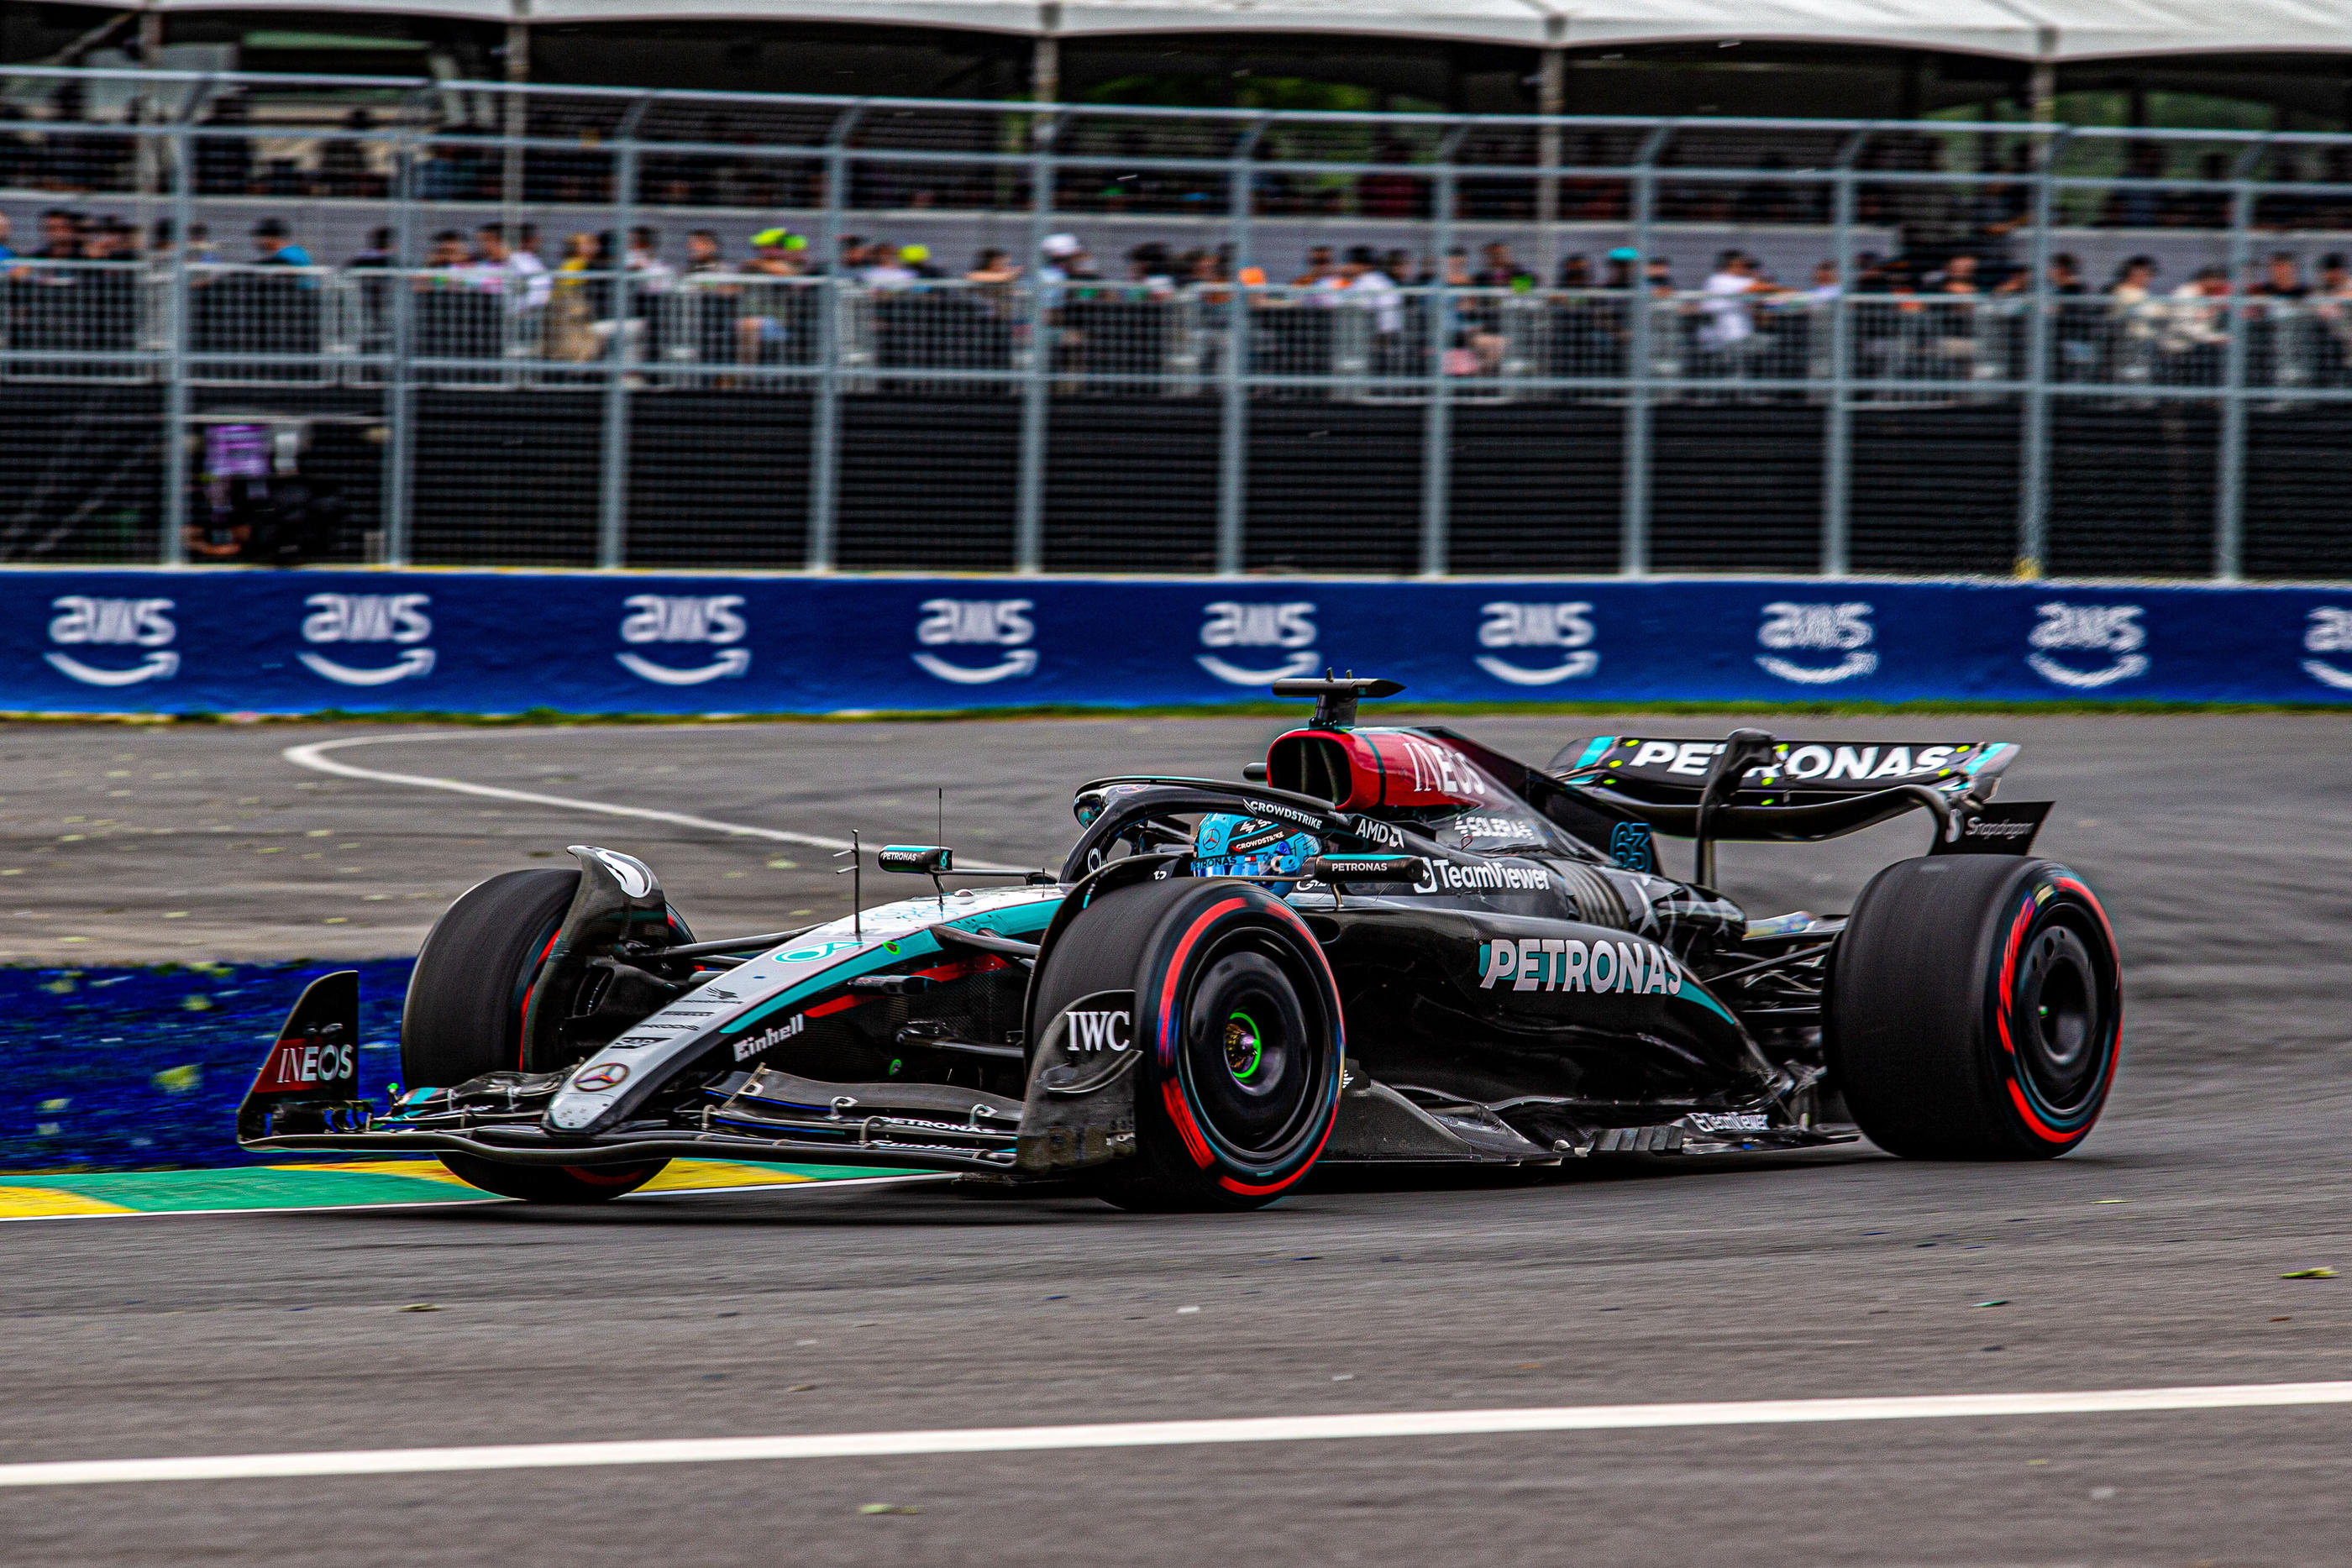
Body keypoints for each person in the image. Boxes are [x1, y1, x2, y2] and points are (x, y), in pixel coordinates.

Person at [1698, 249, 1761, 354]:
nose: (1747, 268)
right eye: (1744, 265)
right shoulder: (1720, 280)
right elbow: (1758, 288)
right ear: (1734, 264)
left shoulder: (1738, 281)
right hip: (1727, 338)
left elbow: (1762, 303)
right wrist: (1790, 292)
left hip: (1732, 337)